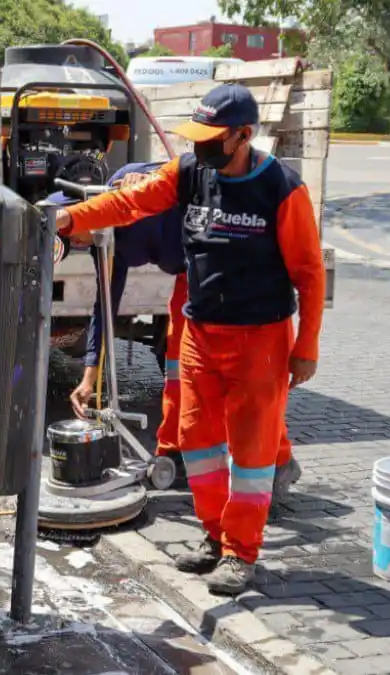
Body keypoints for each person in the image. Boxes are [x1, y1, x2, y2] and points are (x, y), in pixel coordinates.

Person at [54, 83, 326, 595]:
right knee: (198, 444)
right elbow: (131, 201)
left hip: (260, 340)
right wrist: (73, 218)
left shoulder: (283, 190)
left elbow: (310, 274)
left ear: (244, 136)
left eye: (212, 137)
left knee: (251, 455)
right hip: (201, 334)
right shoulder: (190, 173)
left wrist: (305, 345)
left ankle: (240, 555)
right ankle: (214, 537)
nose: (199, 146)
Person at [57, 164, 302, 501]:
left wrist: (149, 178)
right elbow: (105, 306)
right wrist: (89, 376)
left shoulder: (132, 185)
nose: (78, 243)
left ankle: (279, 460)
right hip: (190, 281)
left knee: (240, 385)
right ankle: (173, 452)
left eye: (72, 233)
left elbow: (188, 170)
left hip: (229, 276)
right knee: (178, 371)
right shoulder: (108, 244)